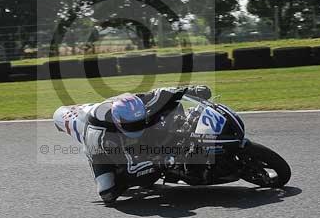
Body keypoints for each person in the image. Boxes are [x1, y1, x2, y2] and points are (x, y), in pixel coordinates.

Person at [54, 85, 212, 204]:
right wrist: (165, 161)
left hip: (112, 111)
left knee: (170, 106)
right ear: (118, 121)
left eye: (139, 122)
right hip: (98, 149)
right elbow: (131, 169)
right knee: (108, 192)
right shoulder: (103, 138)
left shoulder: (136, 102)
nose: (137, 128)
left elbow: (163, 94)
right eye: (131, 125)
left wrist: (192, 90)